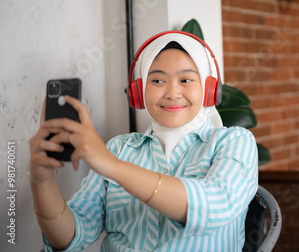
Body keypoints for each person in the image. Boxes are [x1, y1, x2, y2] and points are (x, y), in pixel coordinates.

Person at [29, 31, 259, 251]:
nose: (172, 92)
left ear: (209, 89)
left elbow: (216, 205)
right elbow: (69, 237)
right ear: (139, 91)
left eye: (186, 79)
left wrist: (113, 166)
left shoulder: (234, 142)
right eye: (157, 80)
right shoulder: (119, 149)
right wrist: (42, 182)